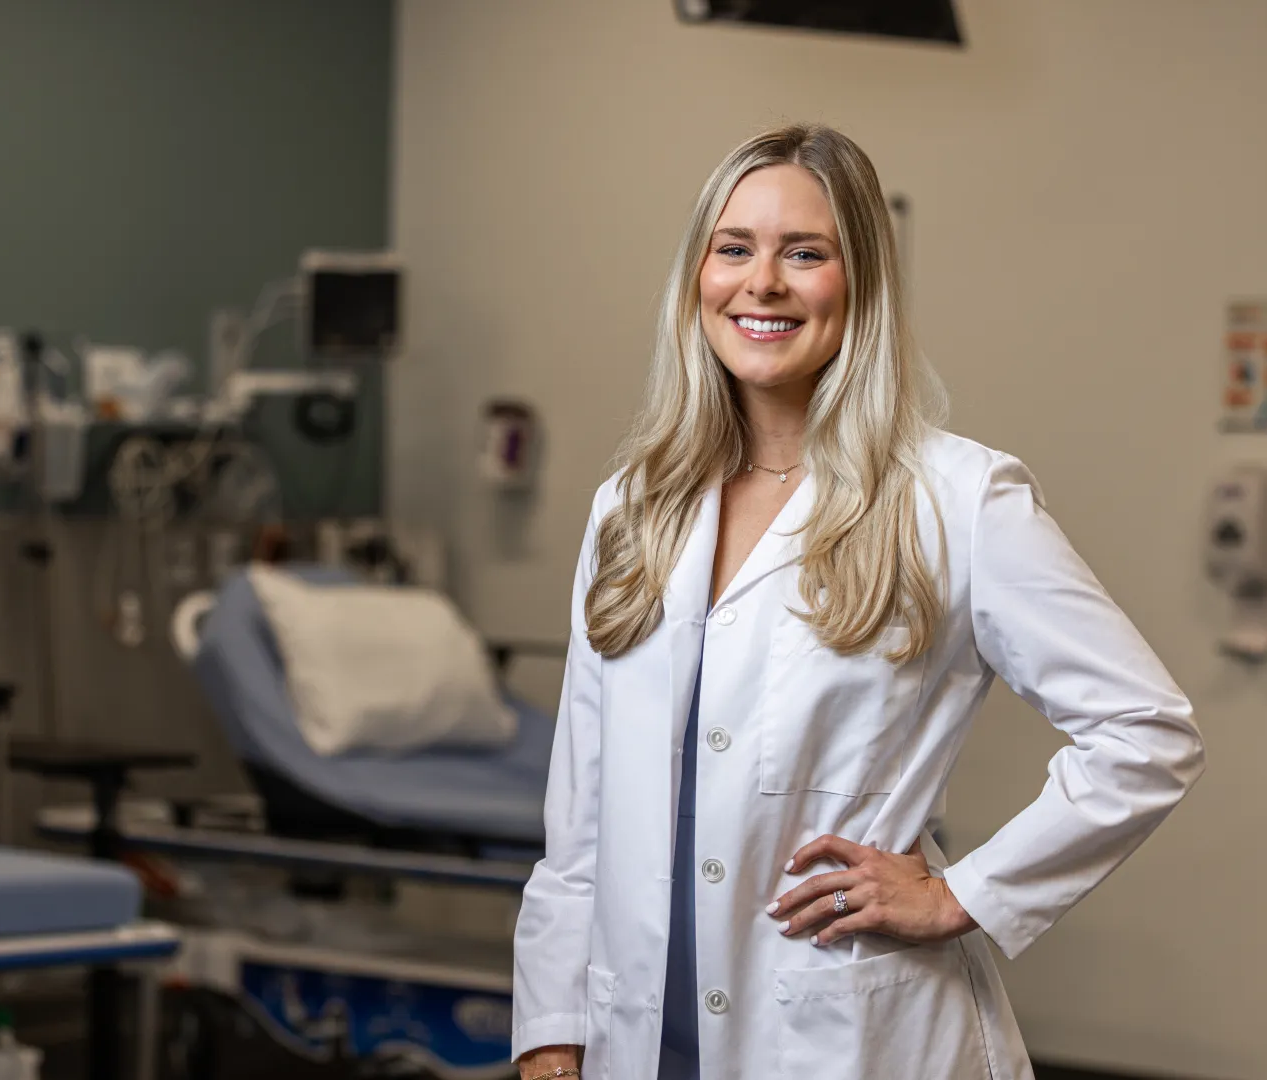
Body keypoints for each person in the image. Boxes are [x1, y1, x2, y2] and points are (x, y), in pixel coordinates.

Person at [509, 123, 1205, 1080]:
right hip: (639, 1037)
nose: (763, 283)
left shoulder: (957, 500)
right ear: (697, 278)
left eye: (806, 253)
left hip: (850, 1039)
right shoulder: (633, 509)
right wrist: (551, 1031)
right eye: (733, 249)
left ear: (862, 283)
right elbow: (580, 818)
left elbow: (1146, 731)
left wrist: (963, 894)